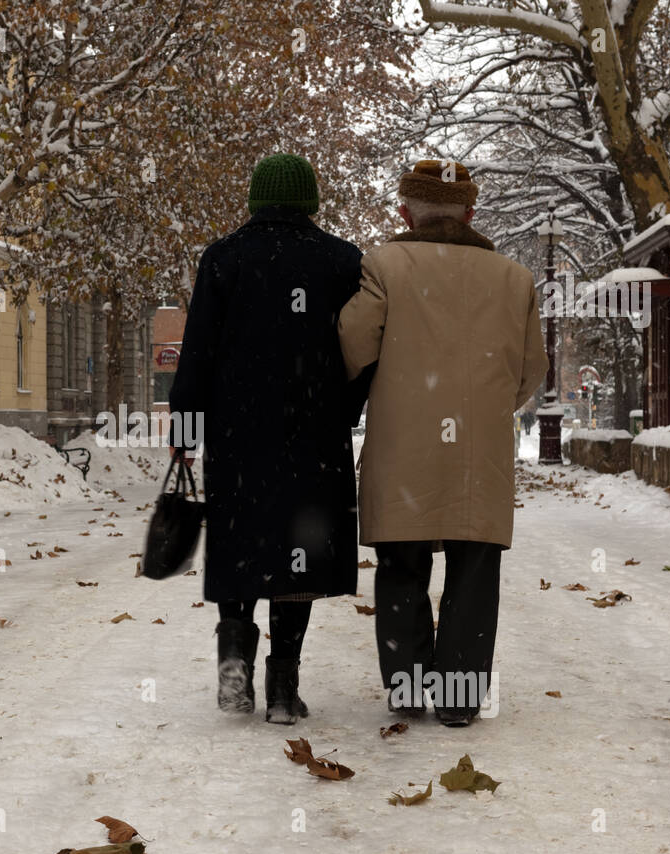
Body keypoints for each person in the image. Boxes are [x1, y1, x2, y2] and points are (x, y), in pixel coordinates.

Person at [338, 160, 548, 727]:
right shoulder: (514, 277)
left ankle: (407, 688)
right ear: (471, 213)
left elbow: (354, 346)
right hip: (479, 452)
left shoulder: (382, 265)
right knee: (474, 570)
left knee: (401, 566)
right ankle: (458, 699)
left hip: (403, 449)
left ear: (405, 211)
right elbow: (531, 371)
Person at [169, 153, 370, 725]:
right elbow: (362, 353)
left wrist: (186, 432)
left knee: (241, 544)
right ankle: (283, 685)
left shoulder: (223, 259)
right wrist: (344, 411)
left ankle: (234, 660)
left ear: (256, 200)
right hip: (314, 435)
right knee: (297, 553)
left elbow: (198, 354)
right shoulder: (341, 262)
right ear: (311, 201)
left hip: (238, 435)